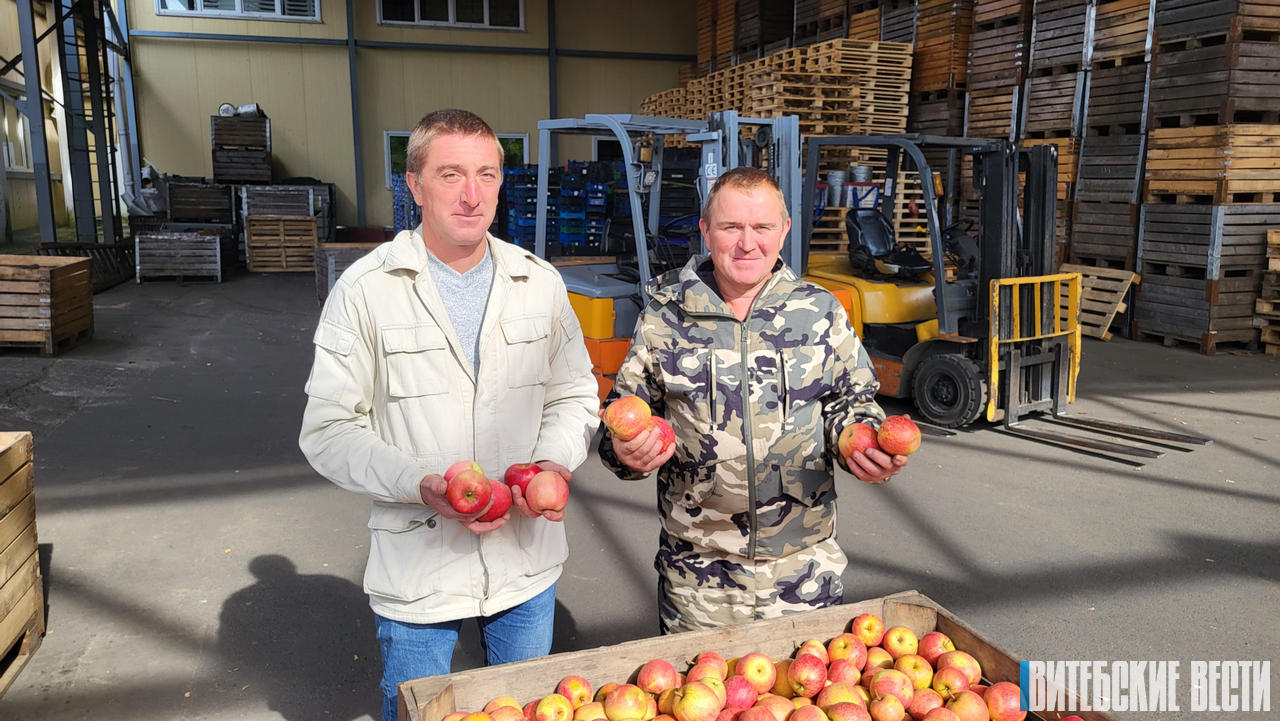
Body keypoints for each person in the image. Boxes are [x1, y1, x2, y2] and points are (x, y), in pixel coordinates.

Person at [299, 109, 600, 721]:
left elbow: (574, 394)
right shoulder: (367, 290)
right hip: (419, 563)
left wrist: (551, 462)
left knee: (524, 708)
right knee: (420, 710)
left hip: (526, 558)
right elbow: (328, 430)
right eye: (450, 174)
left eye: (487, 175)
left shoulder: (537, 283)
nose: (471, 195)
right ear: (413, 185)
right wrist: (419, 483)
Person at [598, 166, 908, 634]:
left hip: (804, 573)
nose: (748, 243)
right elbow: (622, 419)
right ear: (705, 230)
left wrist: (860, 443)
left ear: (783, 230)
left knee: (806, 702)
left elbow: (854, 401)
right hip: (698, 577)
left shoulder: (819, 311)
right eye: (731, 227)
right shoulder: (664, 317)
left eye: (762, 227)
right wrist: (625, 454)